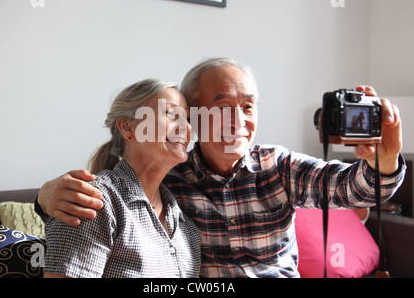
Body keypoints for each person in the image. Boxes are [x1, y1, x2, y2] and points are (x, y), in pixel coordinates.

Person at [37, 57, 405, 278]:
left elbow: (356, 188)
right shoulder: (159, 182)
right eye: (221, 104)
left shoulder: (276, 168)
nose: (237, 119)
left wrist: (385, 156)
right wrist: (45, 196)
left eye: (247, 106)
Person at [43, 79, 200, 278]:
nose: (186, 127)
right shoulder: (91, 200)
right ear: (128, 128)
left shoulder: (184, 221)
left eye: (186, 117)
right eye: (170, 113)